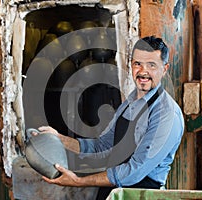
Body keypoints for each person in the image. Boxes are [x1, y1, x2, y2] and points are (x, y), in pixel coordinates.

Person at [36, 36, 184, 199]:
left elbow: (134, 171)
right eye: (138, 64)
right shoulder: (130, 103)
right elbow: (102, 145)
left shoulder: (166, 114)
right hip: (112, 192)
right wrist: (59, 139)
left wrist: (78, 181)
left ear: (164, 69)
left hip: (139, 195)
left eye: (151, 65)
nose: (143, 71)